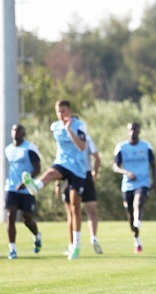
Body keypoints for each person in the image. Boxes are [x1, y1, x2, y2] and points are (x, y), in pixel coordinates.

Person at [22, 100, 88, 260]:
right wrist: (58, 181)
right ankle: (35, 186)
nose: (61, 115)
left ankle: (76, 246)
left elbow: (82, 147)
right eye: (58, 112)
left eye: (64, 111)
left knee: (75, 207)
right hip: (63, 163)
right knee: (51, 171)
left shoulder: (79, 125)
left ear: (70, 111)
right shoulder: (54, 127)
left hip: (78, 168)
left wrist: (69, 129)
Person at [113, 122, 156, 253]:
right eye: (130, 129)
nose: (132, 132)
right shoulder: (121, 147)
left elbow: (153, 165)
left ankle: (137, 224)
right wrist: (126, 172)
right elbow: (115, 166)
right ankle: (136, 239)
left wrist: (154, 183)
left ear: (139, 131)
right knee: (129, 212)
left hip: (143, 182)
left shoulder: (146, 147)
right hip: (127, 185)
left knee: (138, 203)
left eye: (135, 129)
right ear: (128, 131)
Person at [57, 133, 103, 255]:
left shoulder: (65, 139)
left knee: (72, 213)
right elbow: (97, 158)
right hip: (86, 175)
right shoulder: (87, 138)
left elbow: (59, 162)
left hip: (72, 175)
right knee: (91, 211)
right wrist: (95, 173)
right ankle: (93, 237)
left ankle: (72, 244)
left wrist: (57, 182)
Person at [4, 124, 42, 259]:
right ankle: (12, 249)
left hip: (26, 190)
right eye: (13, 130)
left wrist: (26, 182)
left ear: (23, 132)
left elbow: (38, 168)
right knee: (11, 216)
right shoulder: (8, 149)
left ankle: (37, 235)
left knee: (27, 220)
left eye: (18, 130)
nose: (15, 132)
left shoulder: (29, 148)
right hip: (11, 188)